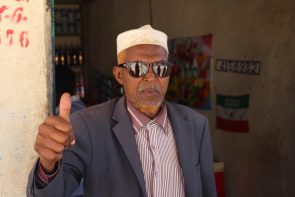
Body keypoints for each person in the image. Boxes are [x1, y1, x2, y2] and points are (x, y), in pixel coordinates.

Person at [27, 25, 217, 197]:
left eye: (160, 68)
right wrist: (47, 165)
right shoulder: (88, 126)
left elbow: (207, 190)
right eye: (137, 68)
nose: (151, 78)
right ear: (119, 75)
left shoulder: (196, 124)